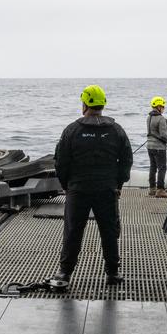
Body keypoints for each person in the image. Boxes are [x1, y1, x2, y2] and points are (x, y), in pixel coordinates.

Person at [53, 85, 132, 285]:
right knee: (109, 230)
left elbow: (61, 161)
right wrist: (119, 183)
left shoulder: (72, 130)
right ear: (102, 104)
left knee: (73, 230)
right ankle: (113, 273)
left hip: (78, 189)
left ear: (85, 103)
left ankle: (65, 273)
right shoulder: (116, 130)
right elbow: (126, 159)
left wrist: (66, 185)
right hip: (107, 188)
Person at [146, 96, 167, 197]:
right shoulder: (161, 118)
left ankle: (152, 189)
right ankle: (160, 190)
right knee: (162, 168)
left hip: (150, 146)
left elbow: (154, 129)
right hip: (159, 148)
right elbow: (163, 135)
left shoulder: (149, 117)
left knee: (153, 167)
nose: (163, 108)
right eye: (162, 106)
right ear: (158, 106)